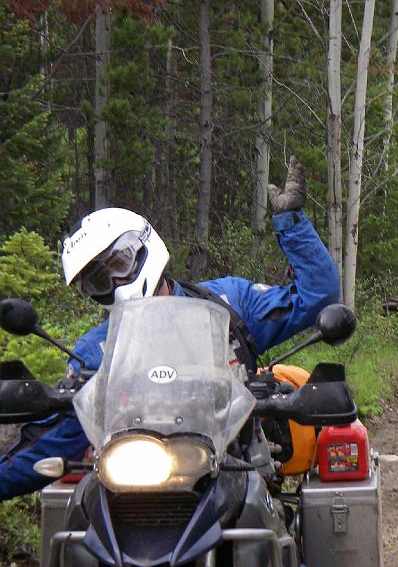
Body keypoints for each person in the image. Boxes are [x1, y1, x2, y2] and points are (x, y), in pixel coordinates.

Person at [0, 155, 340, 500]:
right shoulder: (93, 352)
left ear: (145, 247)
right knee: (79, 533)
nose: (116, 282)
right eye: (99, 281)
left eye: (119, 264)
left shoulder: (229, 303)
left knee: (275, 539)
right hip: (134, 477)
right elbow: (53, 438)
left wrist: (291, 223)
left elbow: (317, 297)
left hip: (233, 466)